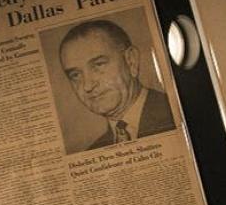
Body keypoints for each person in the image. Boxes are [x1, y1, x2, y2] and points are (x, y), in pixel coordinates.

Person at [57, 19, 175, 151]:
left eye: (98, 65)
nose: (88, 86)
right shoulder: (94, 151)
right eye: (76, 75)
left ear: (131, 61)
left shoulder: (176, 113)